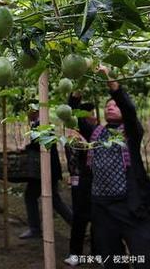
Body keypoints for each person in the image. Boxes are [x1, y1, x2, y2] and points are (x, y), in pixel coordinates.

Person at [70, 66, 150, 268]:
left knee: (142, 256)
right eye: (107, 106)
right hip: (102, 208)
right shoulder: (96, 133)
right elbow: (74, 113)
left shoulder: (131, 131)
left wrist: (108, 79)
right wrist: (80, 82)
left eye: (115, 105)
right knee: (111, 258)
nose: (110, 107)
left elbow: (129, 108)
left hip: (129, 205)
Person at [20, 109, 73, 239]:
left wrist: (25, 149)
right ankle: (76, 225)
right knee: (54, 199)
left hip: (44, 169)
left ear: (34, 111)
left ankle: (35, 229)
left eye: (29, 111)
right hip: (44, 168)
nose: (27, 114)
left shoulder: (43, 125)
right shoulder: (38, 124)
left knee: (31, 196)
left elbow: (42, 146)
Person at [63, 97, 97, 266]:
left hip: (97, 181)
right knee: (80, 218)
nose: (95, 117)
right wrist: (75, 97)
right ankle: (75, 253)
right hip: (80, 181)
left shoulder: (96, 131)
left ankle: (97, 252)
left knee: (97, 217)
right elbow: (72, 161)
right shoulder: (74, 134)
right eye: (91, 114)